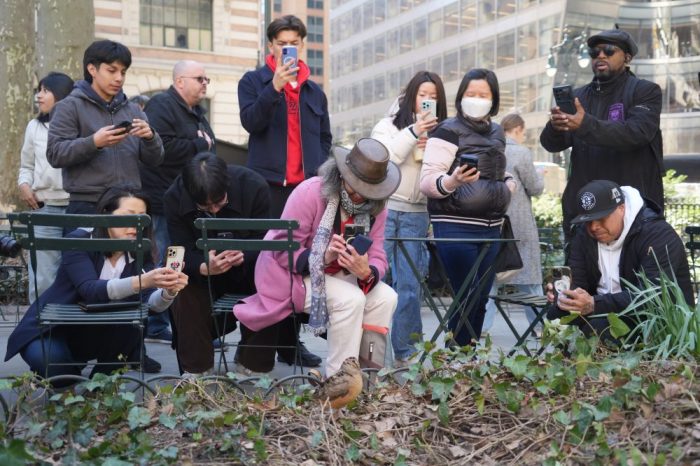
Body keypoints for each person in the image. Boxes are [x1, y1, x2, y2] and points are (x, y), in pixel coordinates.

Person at [234, 138, 400, 376]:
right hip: (291, 274)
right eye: (355, 187)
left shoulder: (377, 206)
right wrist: (323, 256)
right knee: (350, 299)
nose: (359, 197)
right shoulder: (310, 192)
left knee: (386, 297)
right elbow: (281, 248)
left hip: (343, 275)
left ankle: (368, 373)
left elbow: (378, 254)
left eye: (368, 191)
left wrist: (367, 271)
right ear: (340, 175)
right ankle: (340, 380)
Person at [4, 187, 188, 381]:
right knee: (49, 361)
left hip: (97, 331)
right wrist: (142, 281)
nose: (134, 224)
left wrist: (168, 291)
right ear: (106, 214)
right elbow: (89, 289)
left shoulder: (140, 249)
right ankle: (68, 380)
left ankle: (100, 387)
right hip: (54, 328)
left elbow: (150, 303)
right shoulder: (79, 240)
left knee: (134, 323)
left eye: (141, 217)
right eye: (127, 216)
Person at [238, 15, 331, 367]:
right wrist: (274, 87)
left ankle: (290, 344)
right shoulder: (253, 81)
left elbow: (325, 137)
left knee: (298, 265)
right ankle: (254, 344)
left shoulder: (314, 91)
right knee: (264, 266)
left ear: (302, 45)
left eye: (293, 42)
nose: (287, 48)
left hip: (304, 191)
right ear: (271, 46)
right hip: (266, 187)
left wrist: (318, 173)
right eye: (281, 43)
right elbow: (251, 122)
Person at [420, 68, 515, 346]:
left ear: (493, 99)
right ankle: (456, 357)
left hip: (492, 227)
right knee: (466, 296)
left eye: (483, 95)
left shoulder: (497, 132)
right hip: (455, 226)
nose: (476, 99)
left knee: (481, 298)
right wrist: (453, 180)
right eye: (471, 93)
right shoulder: (446, 130)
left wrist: (507, 183)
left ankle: (469, 357)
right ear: (461, 96)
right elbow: (427, 181)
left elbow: (496, 171)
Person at [540, 28, 664, 240]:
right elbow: (550, 144)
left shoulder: (645, 91)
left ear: (627, 57)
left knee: (631, 262)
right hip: (585, 209)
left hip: (627, 208)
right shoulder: (578, 97)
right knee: (582, 262)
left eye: (608, 50)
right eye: (594, 52)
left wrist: (584, 124)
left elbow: (637, 132)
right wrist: (556, 127)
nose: (600, 56)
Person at [163, 152, 278, 376]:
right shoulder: (174, 197)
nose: (215, 210)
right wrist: (202, 267)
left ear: (228, 184)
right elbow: (179, 249)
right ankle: (196, 367)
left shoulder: (253, 185)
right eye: (205, 207)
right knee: (181, 285)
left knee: (274, 278)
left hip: (250, 268)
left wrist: (245, 253)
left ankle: (253, 362)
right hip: (202, 272)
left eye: (219, 202)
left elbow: (267, 240)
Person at [546, 180, 694, 337]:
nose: (594, 226)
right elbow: (578, 281)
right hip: (602, 310)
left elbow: (652, 296)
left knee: (598, 328)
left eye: (601, 218)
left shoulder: (657, 235)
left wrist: (594, 304)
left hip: (653, 318)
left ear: (621, 208)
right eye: (588, 220)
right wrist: (566, 294)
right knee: (556, 316)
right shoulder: (583, 234)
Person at [370, 71, 447, 365]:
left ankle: (406, 352)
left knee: (410, 287)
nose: (427, 100)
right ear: (410, 96)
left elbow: (443, 174)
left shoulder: (442, 131)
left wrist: (434, 149)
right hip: (385, 210)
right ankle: (370, 352)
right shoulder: (388, 125)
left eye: (433, 97)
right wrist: (413, 132)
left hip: (417, 214)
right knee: (376, 280)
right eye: (422, 95)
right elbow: (383, 159)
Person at [139, 60, 216, 345]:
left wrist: (203, 145)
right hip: (162, 200)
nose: (204, 83)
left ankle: (180, 325)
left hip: (189, 201)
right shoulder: (162, 105)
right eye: (199, 78)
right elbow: (161, 150)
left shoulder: (197, 112)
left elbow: (210, 147)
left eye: (206, 79)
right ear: (180, 81)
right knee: (164, 261)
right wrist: (199, 144)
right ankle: (156, 324)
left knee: (180, 261)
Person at [47, 39, 164, 215]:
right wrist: (94, 142)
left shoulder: (134, 110)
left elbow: (155, 160)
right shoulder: (69, 106)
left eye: (123, 72)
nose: (119, 78)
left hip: (129, 204)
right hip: (87, 204)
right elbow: (55, 154)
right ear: (92, 69)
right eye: (111, 70)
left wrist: (150, 138)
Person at [483, 113, 545, 333]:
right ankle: (539, 328)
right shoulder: (521, 152)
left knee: (489, 279)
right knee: (530, 278)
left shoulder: (489, 150)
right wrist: (540, 175)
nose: (523, 136)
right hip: (519, 224)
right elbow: (535, 187)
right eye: (523, 132)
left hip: (492, 221)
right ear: (517, 129)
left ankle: (480, 327)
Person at [17, 72, 74, 302]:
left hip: (77, 207)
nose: (38, 96)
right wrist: (24, 184)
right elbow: (26, 165)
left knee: (76, 270)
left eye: (45, 90)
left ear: (62, 95)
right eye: (38, 90)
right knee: (42, 276)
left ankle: (71, 321)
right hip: (44, 207)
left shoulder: (79, 124)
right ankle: (39, 321)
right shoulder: (34, 126)